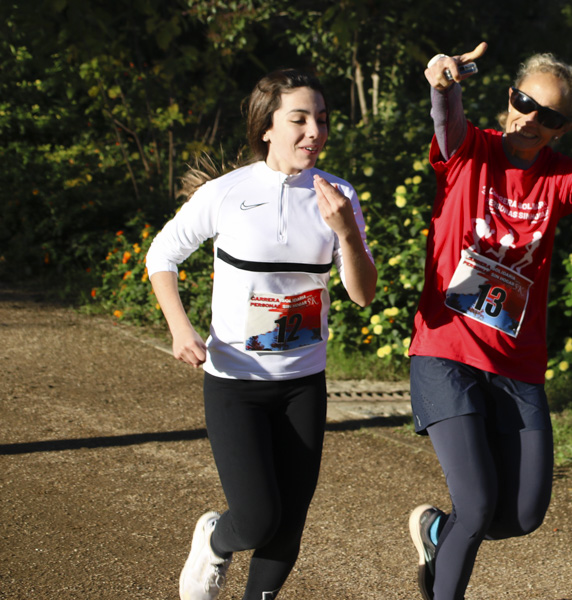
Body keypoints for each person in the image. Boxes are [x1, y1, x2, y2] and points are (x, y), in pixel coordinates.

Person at [407, 42, 572, 600]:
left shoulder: (558, 178)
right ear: (510, 96)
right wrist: (445, 81)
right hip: (446, 351)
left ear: (563, 128)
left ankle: (438, 532)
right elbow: (446, 112)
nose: (529, 118)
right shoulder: (467, 151)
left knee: (523, 515)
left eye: (547, 116)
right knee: (477, 505)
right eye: (523, 101)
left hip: (516, 365)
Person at [145, 68, 377, 600]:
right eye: (299, 119)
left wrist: (345, 232)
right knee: (256, 520)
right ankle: (213, 540)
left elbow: (363, 293)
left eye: (320, 119)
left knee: (288, 524)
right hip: (236, 382)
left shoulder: (339, 194)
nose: (314, 131)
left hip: (304, 382)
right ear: (266, 128)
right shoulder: (227, 193)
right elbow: (163, 255)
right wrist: (179, 329)